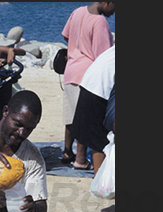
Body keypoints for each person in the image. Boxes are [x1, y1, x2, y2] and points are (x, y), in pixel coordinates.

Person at [60, 2, 115, 169]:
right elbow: (103, 55)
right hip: (87, 74)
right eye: (115, 7)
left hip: (70, 69)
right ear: (107, 2)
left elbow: (66, 35)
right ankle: (81, 159)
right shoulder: (99, 22)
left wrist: (77, 47)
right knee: (85, 120)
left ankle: (67, 151)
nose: (114, 12)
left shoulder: (77, 11)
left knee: (70, 118)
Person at [70, 45, 115, 177]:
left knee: (94, 136)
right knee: (99, 139)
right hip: (99, 89)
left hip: (91, 83)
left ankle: (98, 176)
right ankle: (99, 179)